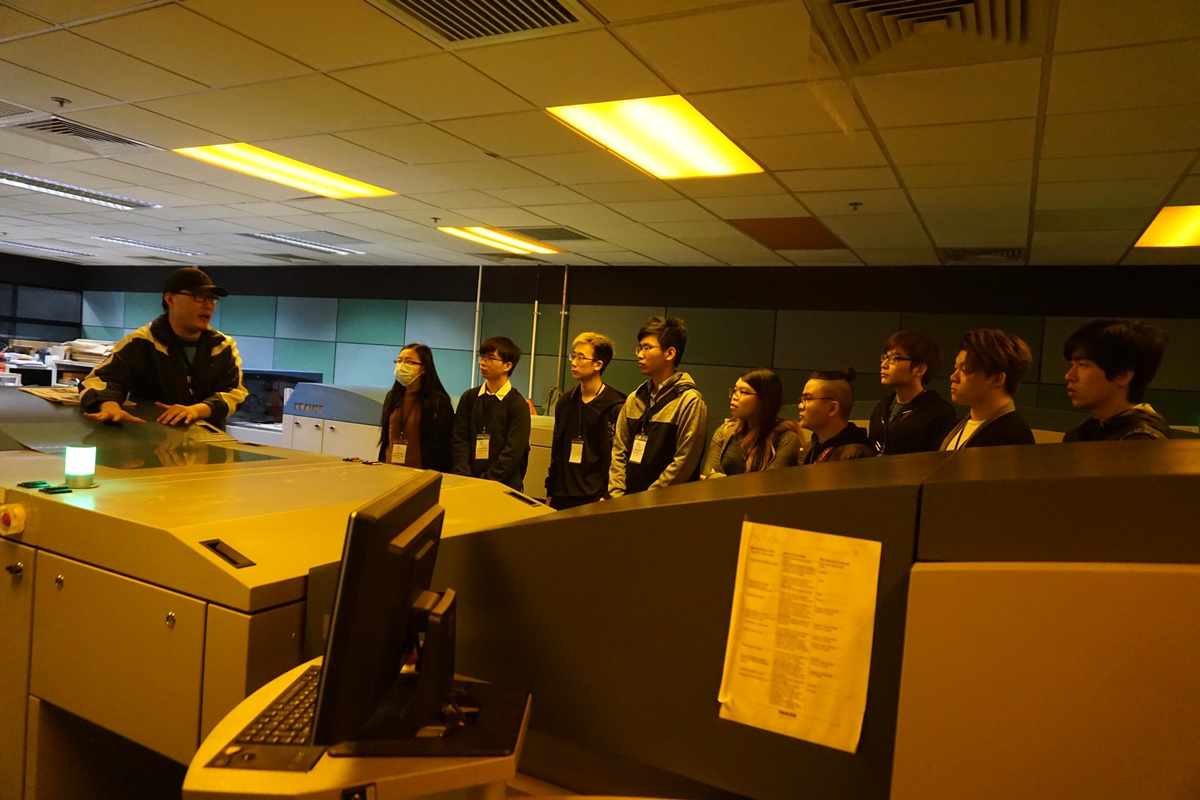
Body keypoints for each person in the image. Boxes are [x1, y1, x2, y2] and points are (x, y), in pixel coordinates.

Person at [80, 267, 247, 428]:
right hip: (152, 437)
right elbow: (100, 380)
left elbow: (234, 393)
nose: (208, 305)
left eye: (212, 299)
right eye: (199, 297)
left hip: (208, 441)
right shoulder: (141, 342)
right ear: (170, 300)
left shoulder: (223, 346)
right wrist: (110, 407)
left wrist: (195, 410)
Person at [609, 315, 707, 498]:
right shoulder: (635, 398)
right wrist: (617, 494)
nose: (640, 354)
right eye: (640, 348)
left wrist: (648, 499)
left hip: (666, 505)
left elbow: (684, 462)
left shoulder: (690, 401)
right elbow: (618, 450)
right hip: (625, 502)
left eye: (647, 348)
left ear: (669, 353)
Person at [545, 332, 627, 510]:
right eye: (573, 356)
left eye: (581, 357)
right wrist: (550, 489)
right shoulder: (565, 402)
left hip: (595, 496)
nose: (574, 362)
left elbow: (618, 457)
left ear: (598, 364)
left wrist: (609, 494)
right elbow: (556, 450)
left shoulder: (615, 406)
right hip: (561, 495)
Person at [1062, 319, 1171, 441]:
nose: (1069, 376)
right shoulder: (1088, 432)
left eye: (1083, 365)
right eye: (1072, 365)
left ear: (1122, 375)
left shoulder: (1140, 440)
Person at [452, 335, 531, 490]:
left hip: (503, 485)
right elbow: (459, 439)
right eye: (482, 357)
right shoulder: (470, 397)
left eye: (490, 358)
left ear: (507, 366)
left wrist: (487, 480)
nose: (483, 362)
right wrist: (464, 475)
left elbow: (513, 452)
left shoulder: (517, 404)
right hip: (466, 482)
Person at [941, 329, 1036, 450]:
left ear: (997, 379)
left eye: (965, 370)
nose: (953, 377)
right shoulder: (958, 426)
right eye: (956, 368)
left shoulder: (1012, 436)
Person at [868, 329, 957, 455]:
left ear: (920, 369)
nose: (884, 364)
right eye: (885, 357)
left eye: (894, 358)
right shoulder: (882, 408)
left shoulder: (938, 413)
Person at [702, 368, 800, 477]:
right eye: (735, 391)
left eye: (743, 392)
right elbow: (707, 476)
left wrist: (721, 480)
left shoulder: (785, 438)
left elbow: (771, 483)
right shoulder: (725, 431)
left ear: (764, 398)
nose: (734, 397)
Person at [377, 343, 454, 471]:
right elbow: (386, 439)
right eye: (399, 361)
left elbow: (446, 445)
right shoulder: (392, 397)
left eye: (409, 362)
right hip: (390, 469)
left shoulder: (437, 401)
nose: (401, 366)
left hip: (421, 472)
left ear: (424, 368)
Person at [799, 369, 876, 464]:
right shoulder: (809, 449)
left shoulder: (857, 455)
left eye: (808, 399)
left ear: (832, 408)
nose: (801, 406)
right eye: (802, 399)